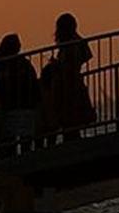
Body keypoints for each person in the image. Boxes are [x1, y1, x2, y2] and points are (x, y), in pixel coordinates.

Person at [40, 13, 96, 141]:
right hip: (73, 86)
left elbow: (70, 65)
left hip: (67, 87)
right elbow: (86, 54)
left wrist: (57, 65)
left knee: (69, 123)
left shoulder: (70, 46)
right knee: (71, 125)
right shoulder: (75, 43)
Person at [0, 34, 39, 157]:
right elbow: (33, 83)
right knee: (25, 144)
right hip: (25, 107)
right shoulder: (24, 64)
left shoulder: (0, 66)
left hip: (8, 109)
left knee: (7, 145)